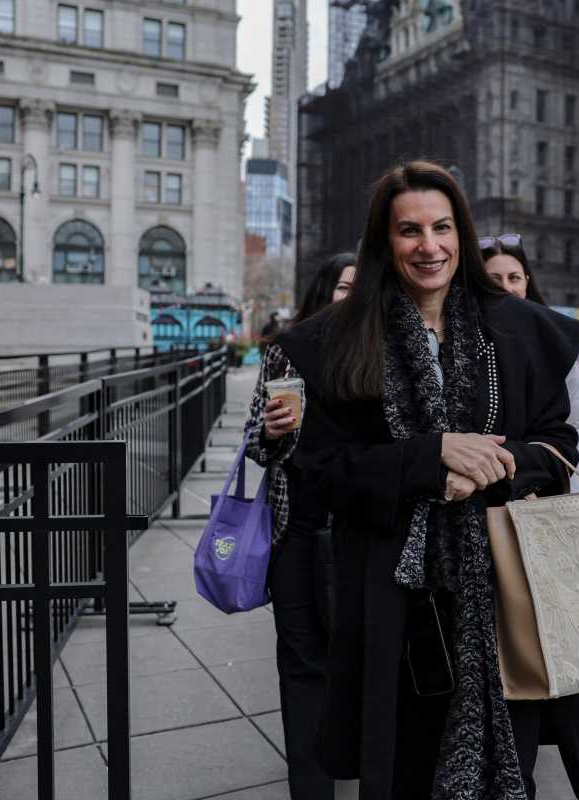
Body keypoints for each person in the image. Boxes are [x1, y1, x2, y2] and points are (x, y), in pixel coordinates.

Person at [276, 160, 579, 799]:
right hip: (393, 604)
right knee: (405, 767)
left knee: (509, 769)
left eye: (442, 227)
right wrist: (431, 459)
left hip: (506, 595)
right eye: (410, 230)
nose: (430, 246)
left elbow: (559, 446)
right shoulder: (332, 341)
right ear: (385, 240)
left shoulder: (520, 329)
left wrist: (488, 469)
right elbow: (320, 473)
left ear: (462, 233)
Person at [244, 251, 357, 800]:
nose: (353, 297)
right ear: (323, 292)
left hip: (361, 534)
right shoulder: (286, 352)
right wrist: (269, 432)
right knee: (303, 662)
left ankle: (356, 760)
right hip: (296, 532)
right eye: (344, 287)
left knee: (357, 661)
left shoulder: (385, 351)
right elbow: (254, 444)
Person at [481, 233, 579, 493]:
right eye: (494, 279)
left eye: (514, 278)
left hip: (540, 491)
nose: (506, 288)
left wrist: (576, 492)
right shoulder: (460, 341)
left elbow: (577, 425)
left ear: (526, 283)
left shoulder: (554, 343)